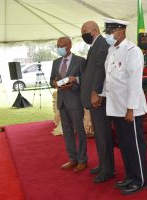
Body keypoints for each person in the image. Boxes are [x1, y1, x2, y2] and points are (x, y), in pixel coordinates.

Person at [101, 18, 147, 195]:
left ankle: (140, 180)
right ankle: (130, 176)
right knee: (125, 145)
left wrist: (130, 109)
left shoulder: (132, 51)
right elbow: (110, 78)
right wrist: (102, 97)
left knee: (135, 146)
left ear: (120, 31)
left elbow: (135, 83)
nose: (108, 36)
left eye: (110, 32)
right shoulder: (112, 50)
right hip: (116, 107)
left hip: (130, 108)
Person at [81, 21, 115, 183]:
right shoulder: (95, 45)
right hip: (94, 97)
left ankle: (108, 170)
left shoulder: (101, 43)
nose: (83, 35)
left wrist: (95, 92)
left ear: (94, 30)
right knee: (100, 135)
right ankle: (104, 165)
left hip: (98, 98)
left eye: (85, 31)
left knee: (103, 135)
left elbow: (101, 69)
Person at [50, 37, 87, 173]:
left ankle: (83, 160)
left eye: (62, 45)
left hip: (75, 101)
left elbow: (85, 79)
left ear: (69, 46)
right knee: (67, 132)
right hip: (62, 101)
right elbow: (51, 80)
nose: (59, 48)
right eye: (57, 46)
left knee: (80, 131)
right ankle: (73, 158)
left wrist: (74, 82)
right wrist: (55, 83)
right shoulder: (55, 62)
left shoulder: (80, 61)